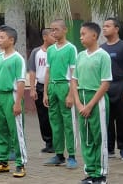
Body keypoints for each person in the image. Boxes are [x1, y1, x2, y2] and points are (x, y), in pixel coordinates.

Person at [72, 22, 112, 184]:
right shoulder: (80, 56)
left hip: (97, 100)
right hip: (81, 98)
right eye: (80, 35)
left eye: (84, 34)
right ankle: (90, 172)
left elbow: (105, 83)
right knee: (86, 137)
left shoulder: (103, 56)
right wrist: (78, 103)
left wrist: (90, 105)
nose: (81, 37)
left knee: (99, 137)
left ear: (94, 36)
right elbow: (74, 80)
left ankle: (100, 174)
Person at [0, 25, 28, 178]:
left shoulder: (17, 59)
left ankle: (20, 164)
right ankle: (2, 162)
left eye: (2, 37)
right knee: (1, 130)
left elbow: (21, 82)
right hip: (0, 98)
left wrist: (17, 103)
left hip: (12, 97)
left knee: (16, 131)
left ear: (11, 40)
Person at [44, 19, 79, 169]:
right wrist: (45, 92)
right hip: (52, 87)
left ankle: (72, 155)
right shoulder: (51, 50)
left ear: (65, 30)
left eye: (56, 29)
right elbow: (48, 71)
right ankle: (59, 154)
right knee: (55, 121)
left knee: (68, 122)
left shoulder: (71, 48)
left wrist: (71, 94)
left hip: (65, 86)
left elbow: (74, 73)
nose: (53, 32)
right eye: (51, 30)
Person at [101, 17, 123, 161]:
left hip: (122, 86)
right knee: (107, 119)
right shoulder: (101, 49)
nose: (104, 28)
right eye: (103, 26)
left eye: (108, 26)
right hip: (106, 87)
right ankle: (109, 149)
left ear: (116, 29)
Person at [28, 28, 54, 154]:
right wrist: (32, 88)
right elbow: (32, 71)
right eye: (51, 35)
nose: (54, 37)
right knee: (43, 117)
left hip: (53, 86)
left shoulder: (56, 51)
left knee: (55, 116)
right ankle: (48, 142)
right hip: (40, 86)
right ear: (45, 37)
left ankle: (58, 142)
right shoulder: (36, 52)